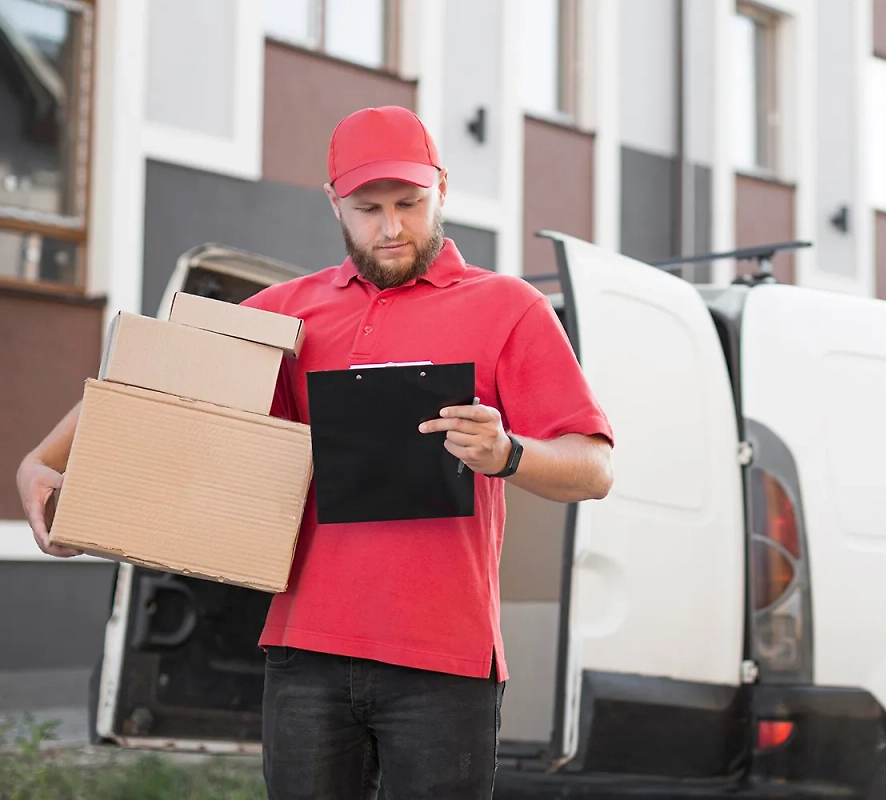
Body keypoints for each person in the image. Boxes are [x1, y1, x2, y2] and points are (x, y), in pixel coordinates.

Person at [15, 105, 615, 799]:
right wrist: (42, 459)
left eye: (410, 203)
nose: (391, 227)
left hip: (443, 663)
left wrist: (510, 453)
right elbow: (148, 390)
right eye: (369, 208)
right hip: (305, 654)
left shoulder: (509, 307)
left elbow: (593, 468)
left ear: (442, 189)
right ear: (336, 203)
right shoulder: (283, 312)